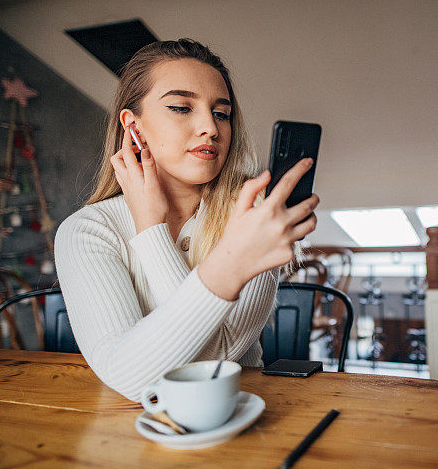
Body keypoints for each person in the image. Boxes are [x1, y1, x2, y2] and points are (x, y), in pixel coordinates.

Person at [54, 39, 318, 402]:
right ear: (134, 127)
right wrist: (153, 231)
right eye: (181, 107)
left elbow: (213, 360)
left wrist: (151, 230)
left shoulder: (256, 214)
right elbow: (127, 377)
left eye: (222, 113)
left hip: (242, 418)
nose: (210, 127)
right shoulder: (88, 230)